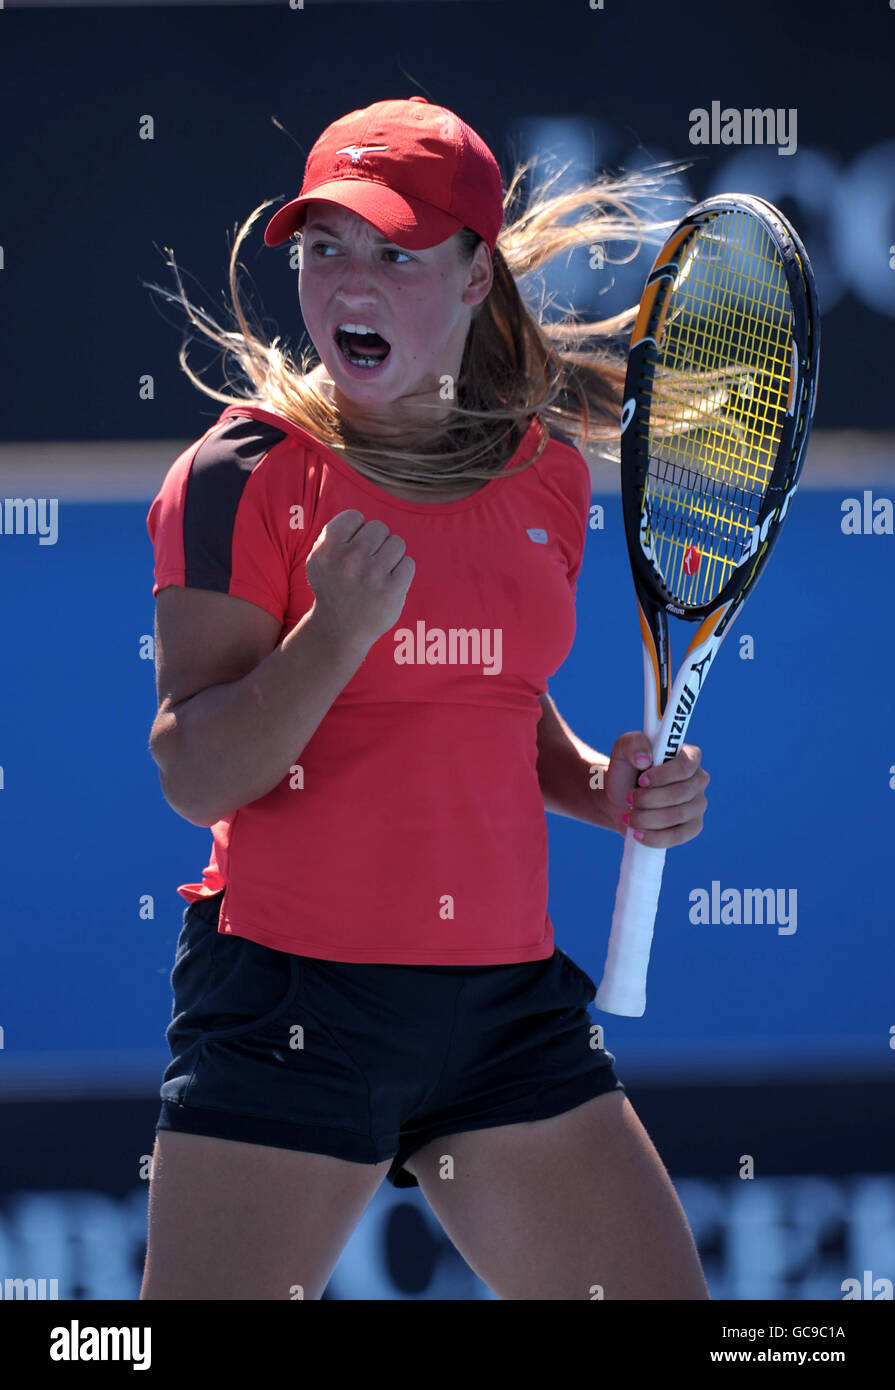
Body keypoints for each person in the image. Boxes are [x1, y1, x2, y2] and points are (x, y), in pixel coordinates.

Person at [139, 96, 710, 1301]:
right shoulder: (238, 477)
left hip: (507, 1014)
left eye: (396, 253)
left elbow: (496, 708)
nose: (352, 281)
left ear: (472, 276)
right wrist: (332, 635)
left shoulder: (549, 476)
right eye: (325, 248)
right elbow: (196, 769)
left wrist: (600, 789)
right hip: (294, 1004)